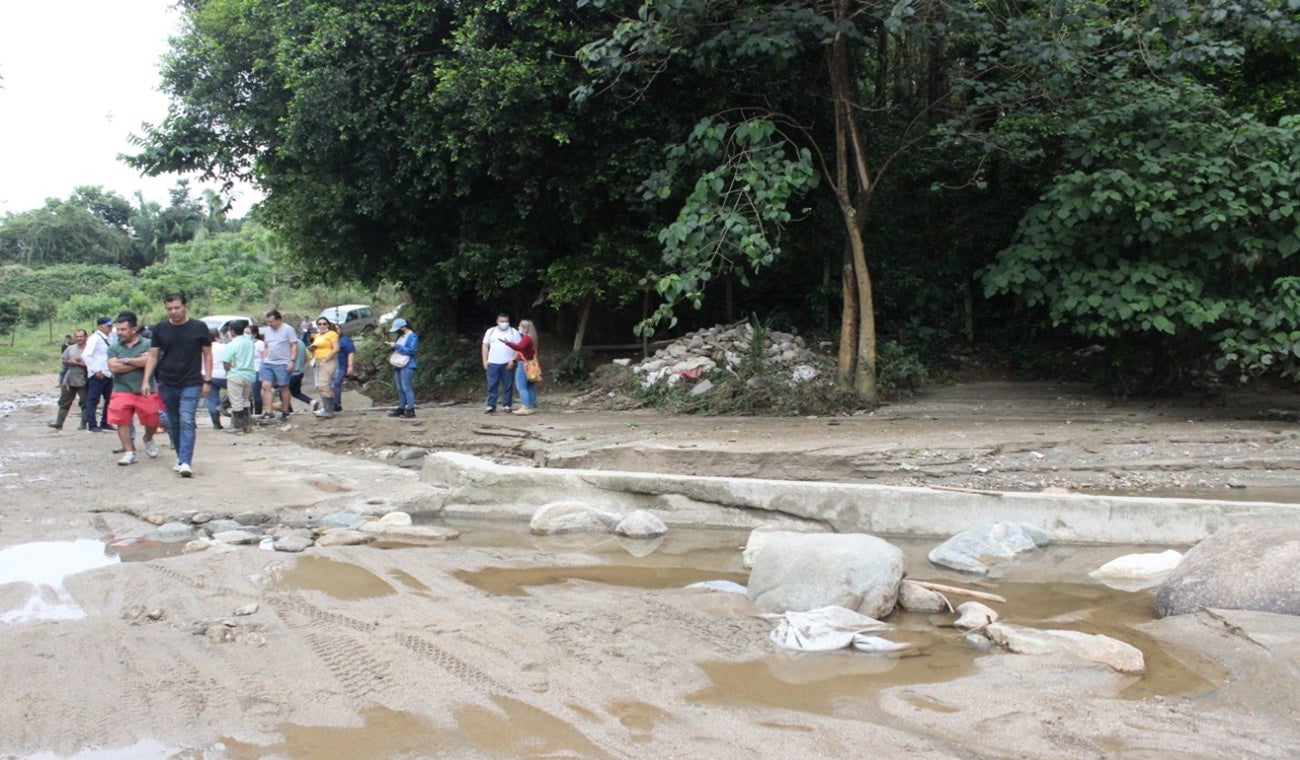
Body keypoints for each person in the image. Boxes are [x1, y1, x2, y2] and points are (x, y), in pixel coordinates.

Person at [142, 293, 213, 478]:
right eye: (169, 309)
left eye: (177, 308)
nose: (173, 312)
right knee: (172, 422)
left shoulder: (199, 327)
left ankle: (186, 462)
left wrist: (208, 380)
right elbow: (153, 355)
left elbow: (207, 355)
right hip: (166, 381)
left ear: (185, 307)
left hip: (191, 381)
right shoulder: (160, 329)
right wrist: (146, 380)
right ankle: (181, 457)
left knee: (187, 419)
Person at [105, 312, 162, 466]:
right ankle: (129, 452)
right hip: (121, 388)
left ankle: (148, 438)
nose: (120, 333)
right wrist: (139, 361)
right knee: (121, 419)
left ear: (134, 329)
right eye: (118, 329)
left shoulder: (149, 344)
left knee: (152, 418)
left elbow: (151, 361)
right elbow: (113, 367)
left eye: (123, 329)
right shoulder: (113, 347)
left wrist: (126, 360)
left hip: (145, 388)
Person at [258, 310, 298, 422]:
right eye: (268, 322)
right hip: (268, 362)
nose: (269, 324)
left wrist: (292, 360)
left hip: (282, 362)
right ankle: (268, 412)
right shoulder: (267, 331)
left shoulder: (288, 329)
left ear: (279, 320)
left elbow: (293, 345)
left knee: (283, 386)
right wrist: (264, 358)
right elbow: (266, 345)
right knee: (266, 385)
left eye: (271, 321)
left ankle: (285, 410)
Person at [481, 312, 521, 414]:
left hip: (507, 363)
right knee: (492, 385)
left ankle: (507, 405)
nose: (504, 323)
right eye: (502, 321)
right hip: (493, 363)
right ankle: (491, 405)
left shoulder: (513, 332)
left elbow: (518, 347)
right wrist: (485, 361)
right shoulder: (490, 331)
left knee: (508, 385)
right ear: (497, 321)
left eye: (506, 321)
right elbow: (485, 346)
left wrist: (513, 360)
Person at [49, 330, 89, 430]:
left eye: (81, 336)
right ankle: (59, 423)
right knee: (64, 402)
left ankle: (83, 424)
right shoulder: (70, 348)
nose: (79, 338)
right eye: (77, 336)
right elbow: (63, 360)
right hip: (69, 379)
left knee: (85, 402)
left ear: (85, 337)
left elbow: (93, 365)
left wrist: (78, 364)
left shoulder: (89, 349)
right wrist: (69, 362)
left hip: (84, 380)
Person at [82, 317, 116, 432]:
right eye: (108, 326)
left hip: (108, 372)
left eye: (111, 326)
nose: (110, 328)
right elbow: (86, 355)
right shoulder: (95, 338)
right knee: (93, 399)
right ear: (101, 326)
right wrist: (96, 370)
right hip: (98, 374)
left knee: (109, 399)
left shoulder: (109, 338)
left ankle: (105, 422)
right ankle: (92, 424)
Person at [499, 319, 539, 415]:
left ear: (525, 328)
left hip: (523, 364)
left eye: (520, 326)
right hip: (531, 364)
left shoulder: (526, 338)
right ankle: (530, 406)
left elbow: (519, 347)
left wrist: (507, 343)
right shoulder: (533, 337)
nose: (518, 328)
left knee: (521, 386)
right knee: (530, 386)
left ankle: (525, 406)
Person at [222, 319, 256, 433]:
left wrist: (228, 370)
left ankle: (238, 427)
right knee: (245, 400)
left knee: (236, 402)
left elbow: (226, 362)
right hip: (249, 374)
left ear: (232, 331)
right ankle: (247, 425)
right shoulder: (250, 343)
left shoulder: (232, 344)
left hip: (236, 374)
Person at [386, 318, 419, 418]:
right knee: (400, 388)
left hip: (408, 364)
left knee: (406, 387)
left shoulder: (412, 336)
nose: (396, 331)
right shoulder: (400, 336)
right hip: (398, 364)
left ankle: (410, 409)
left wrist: (396, 346)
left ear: (403, 327)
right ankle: (401, 408)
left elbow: (411, 351)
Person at [310, 317, 340, 417]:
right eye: (319, 324)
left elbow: (336, 348)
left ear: (327, 325)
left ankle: (329, 410)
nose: (322, 326)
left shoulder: (331, 334)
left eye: (324, 324)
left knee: (324, 384)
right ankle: (326, 407)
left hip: (328, 360)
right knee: (319, 385)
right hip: (317, 360)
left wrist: (326, 359)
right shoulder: (316, 336)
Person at [207, 328, 228, 430]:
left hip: (209, 375)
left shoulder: (205, 347)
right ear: (217, 336)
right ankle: (224, 404)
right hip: (224, 375)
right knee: (237, 392)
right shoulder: (224, 346)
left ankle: (216, 424)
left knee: (212, 398)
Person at [288, 336, 313, 412]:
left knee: (283, 392)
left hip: (291, 373)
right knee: (296, 392)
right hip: (300, 372)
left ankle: (288, 411)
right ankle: (311, 402)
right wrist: (300, 365)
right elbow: (308, 356)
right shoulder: (301, 343)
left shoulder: (288, 344)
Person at [333, 329, 356, 412]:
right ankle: (330, 404)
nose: (336, 330)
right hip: (330, 366)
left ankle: (337, 404)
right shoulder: (328, 339)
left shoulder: (345, 340)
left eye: (337, 328)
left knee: (336, 383)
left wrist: (350, 366)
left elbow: (351, 352)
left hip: (341, 366)